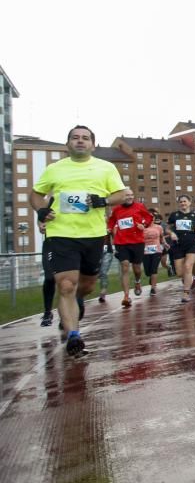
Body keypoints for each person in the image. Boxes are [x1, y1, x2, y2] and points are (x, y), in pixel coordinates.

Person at [30, 125, 127, 356]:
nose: (80, 141)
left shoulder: (106, 168)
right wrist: (41, 211)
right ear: (68, 144)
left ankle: (76, 301)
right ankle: (74, 336)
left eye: (85, 138)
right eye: (75, 138)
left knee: (86, 286)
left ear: (93, 144)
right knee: (65, 285)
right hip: (61, 234)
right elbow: (35, 195)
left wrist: (102, 200)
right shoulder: (54, 169)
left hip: (92, 235)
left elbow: (121, 194)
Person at [108, 189, 153, 307]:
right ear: (122, 197)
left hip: (137, 241)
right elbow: (111, 221)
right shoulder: (116, 209)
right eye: (127, 195)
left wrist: (143, 225)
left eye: (131, 195)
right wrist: (109, 228)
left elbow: (148, 218)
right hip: (121, 242)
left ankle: (137, 281)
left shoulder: (139, 206)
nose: (129, 197)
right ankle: (126, 296)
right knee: (125, 266)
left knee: (137, 269)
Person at [167, 195, 195, 303]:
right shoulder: (174, 215)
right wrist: (171, 233)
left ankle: (186, 293)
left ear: (189, 203)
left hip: (191, 243)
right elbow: (167, 228)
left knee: (188, 266)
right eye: (181, 202)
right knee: (180, 272)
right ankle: (187, 280)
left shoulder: (194, 216)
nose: (183, 203)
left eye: (185, 201)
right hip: (178, 244)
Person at [143, 209, 166, 295]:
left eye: (152, 217)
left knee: (154, 269)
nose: (150, 219)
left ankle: (153, 288)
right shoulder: (142, 227)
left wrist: (165, 243)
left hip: (157, 250)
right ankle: (151, 278)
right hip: (145, 251)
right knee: (147, 271)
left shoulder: (159, 227)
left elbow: (162, 237)